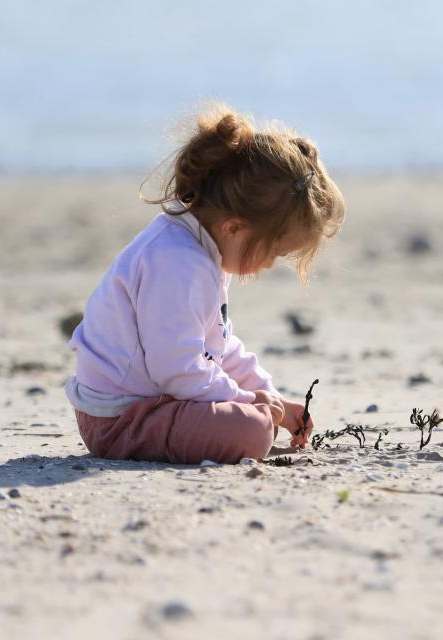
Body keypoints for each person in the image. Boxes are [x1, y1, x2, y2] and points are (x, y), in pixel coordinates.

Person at [64, 103, 345, 464]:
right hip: (120, 419)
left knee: (256, 421)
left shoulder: (201, 250)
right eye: (272, 251)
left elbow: (220, 349)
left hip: (150, 402)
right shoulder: (177, 262)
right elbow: (176, 369)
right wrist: (247, 402)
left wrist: (268, 394)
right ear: (234, 227)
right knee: (250, 432)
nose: (270, 264)